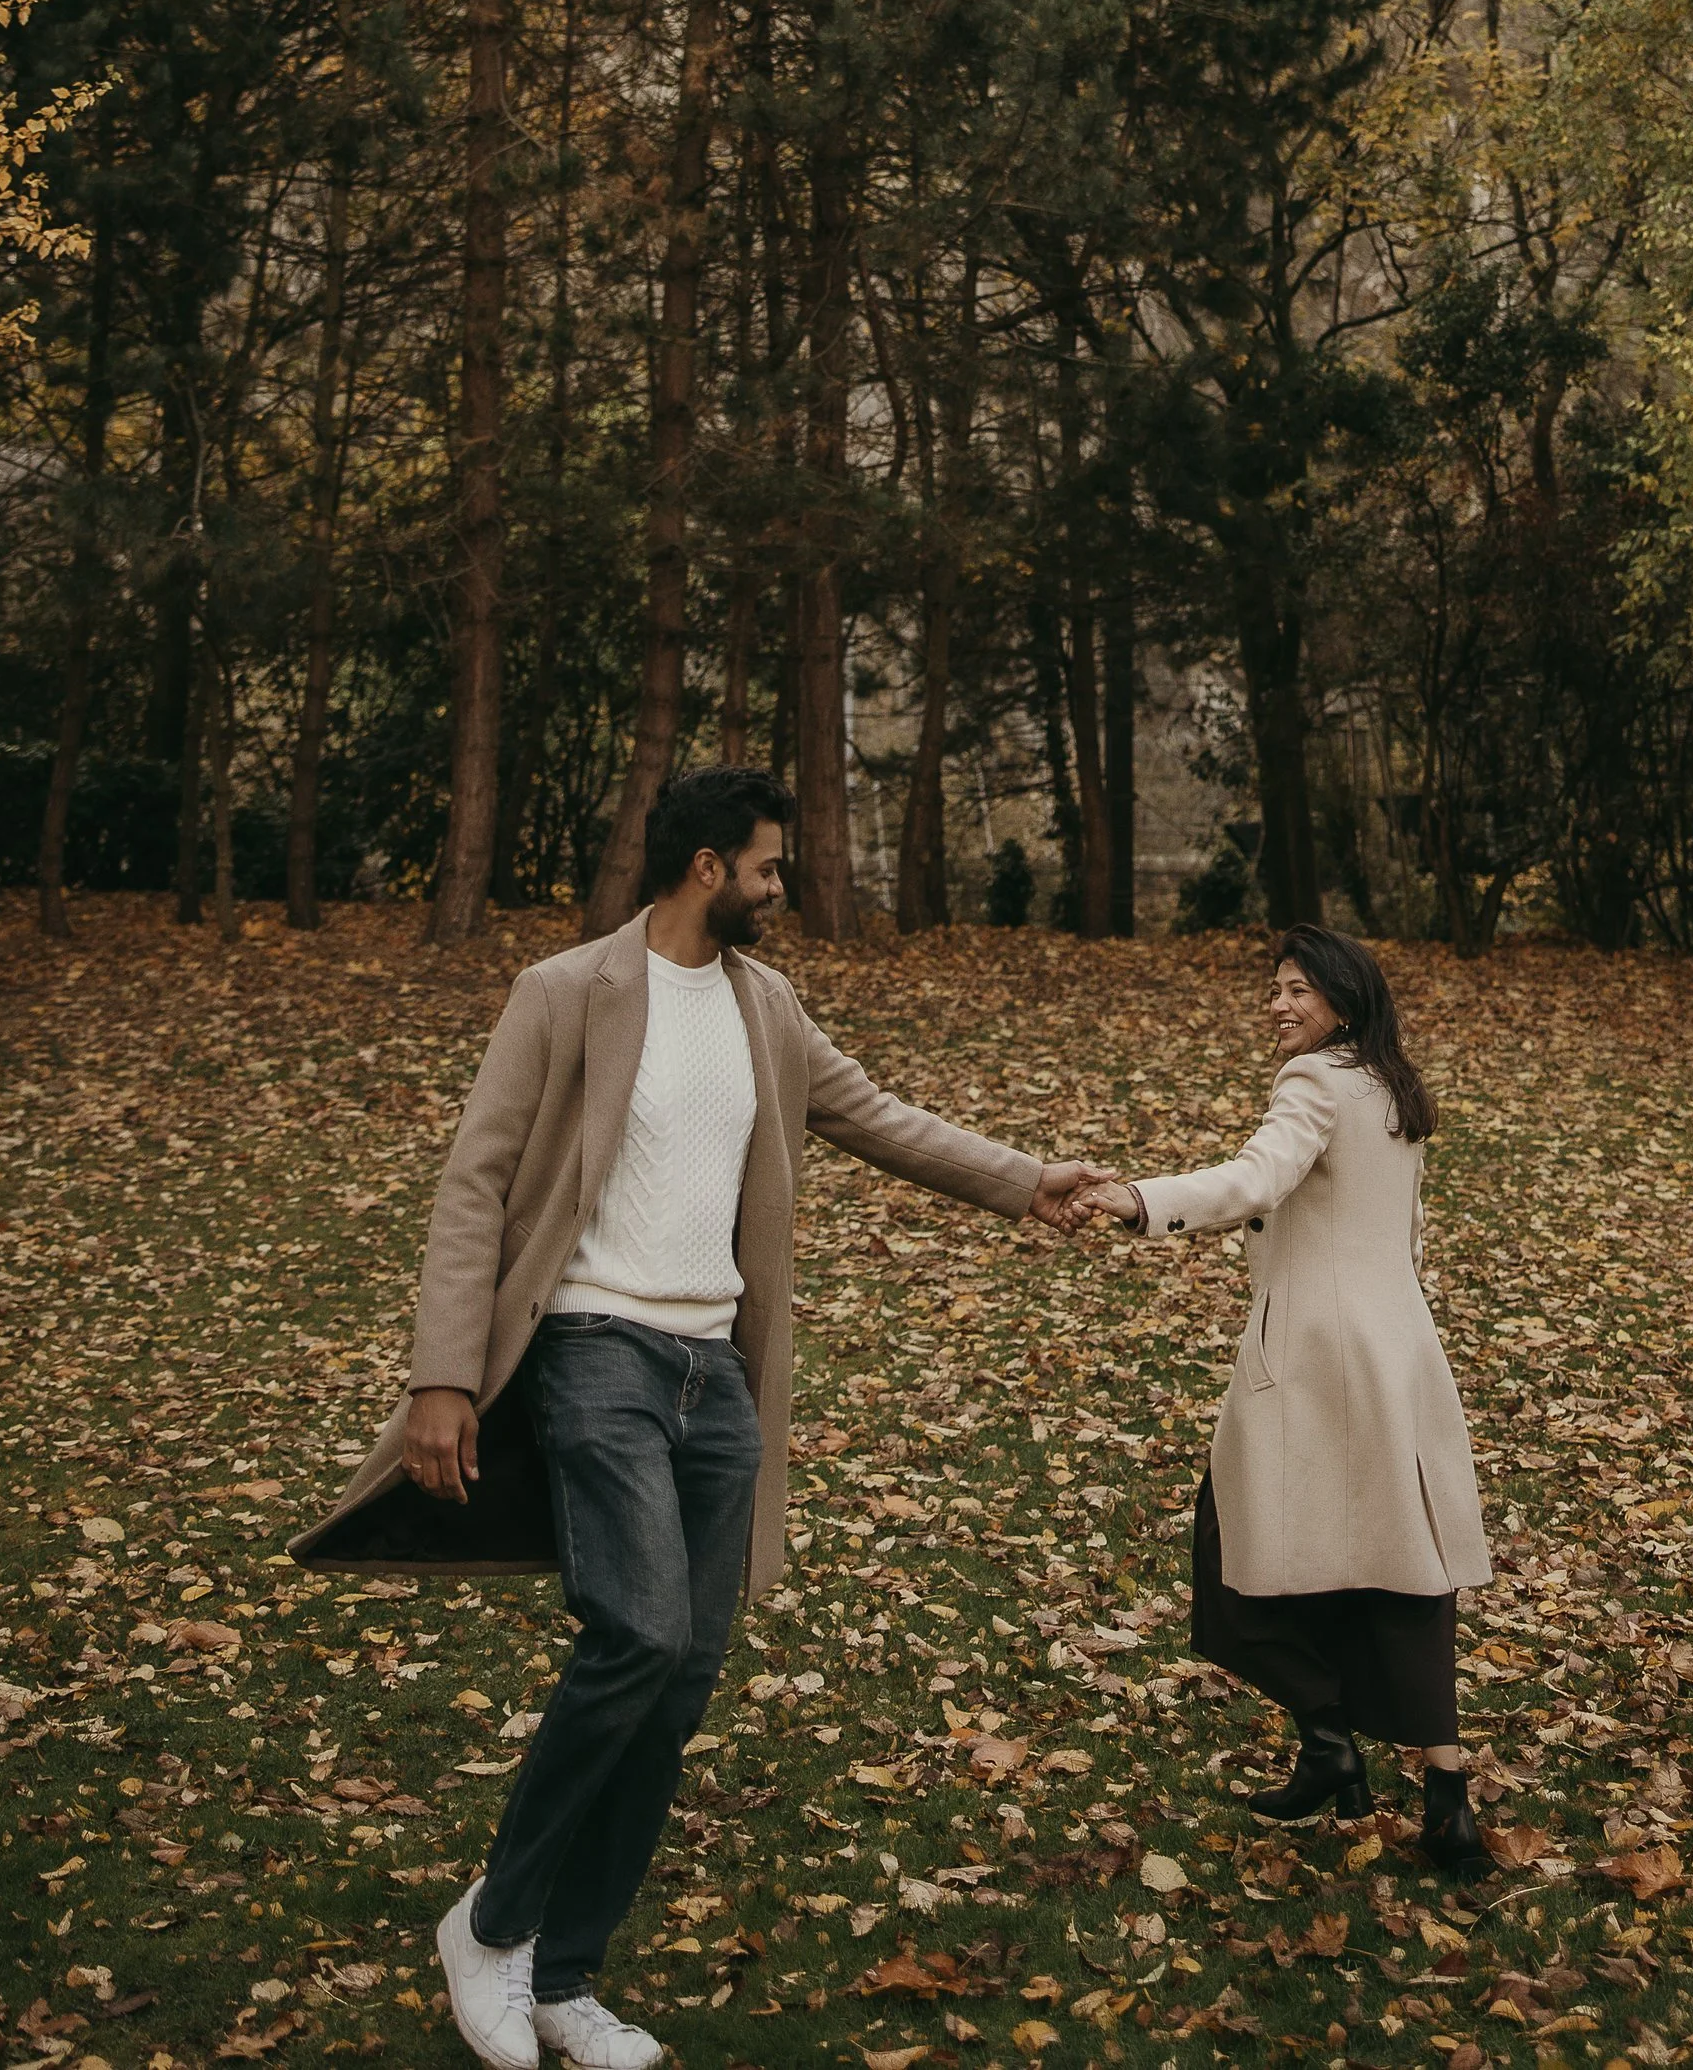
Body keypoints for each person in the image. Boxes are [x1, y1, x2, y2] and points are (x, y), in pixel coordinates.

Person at [293, 765, 1112, 2070]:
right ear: (705, 868)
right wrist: (440, 1375)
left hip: (714, 1377)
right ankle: (492, 1925)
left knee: (678, 1682)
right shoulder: (565, 992)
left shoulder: (767, 1006)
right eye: (771, 866)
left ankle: (563, 1975)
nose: (785, 886)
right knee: (637, 1630)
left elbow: (880, 1117)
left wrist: (1028, 1181)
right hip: (592, 1349)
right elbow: (476, 1183)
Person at [1077, 925, 1494, 1874]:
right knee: (1403, 1568)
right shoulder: (1391, 1085)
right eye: (1275, 989)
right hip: (1396, 1351)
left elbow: (1255, 1177)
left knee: (1235, 1544)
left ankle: (1330, 1737)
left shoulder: (1312, 1082)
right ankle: (1440, 1798)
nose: (1279, 1004)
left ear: (1343, 999)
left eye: (1298, 989)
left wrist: (1140, 1199)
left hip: (1314, 1358)